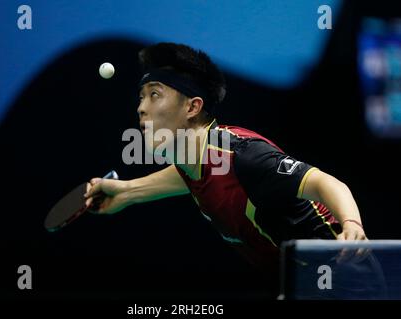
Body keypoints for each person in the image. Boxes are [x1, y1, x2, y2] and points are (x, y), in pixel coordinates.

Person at [84, 42, 367, 295]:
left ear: (192, 107)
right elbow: (190, 177)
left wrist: (352, 224)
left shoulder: (243, 154)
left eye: (155, 95)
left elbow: (324, 182)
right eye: (141, 97)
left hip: (345, 281)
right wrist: (126, 192)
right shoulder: (193, 161)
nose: (141, 108)